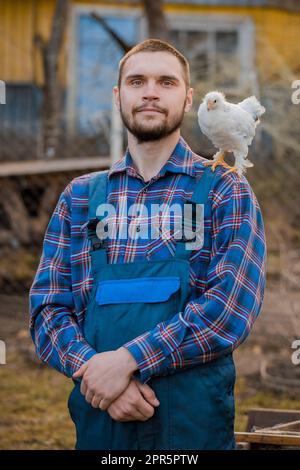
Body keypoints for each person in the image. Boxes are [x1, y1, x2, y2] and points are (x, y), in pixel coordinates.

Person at [29, 39, 267, 450]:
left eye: (166, 82)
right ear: (118, 95)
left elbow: (229, 310)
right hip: (102, 425)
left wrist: (127, 362)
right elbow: (49, 307)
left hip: (191, 432)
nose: (151, 92)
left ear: (189, 99)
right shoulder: (81, 197)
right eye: (137, 81)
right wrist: (95, 374)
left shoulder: (224, 190)